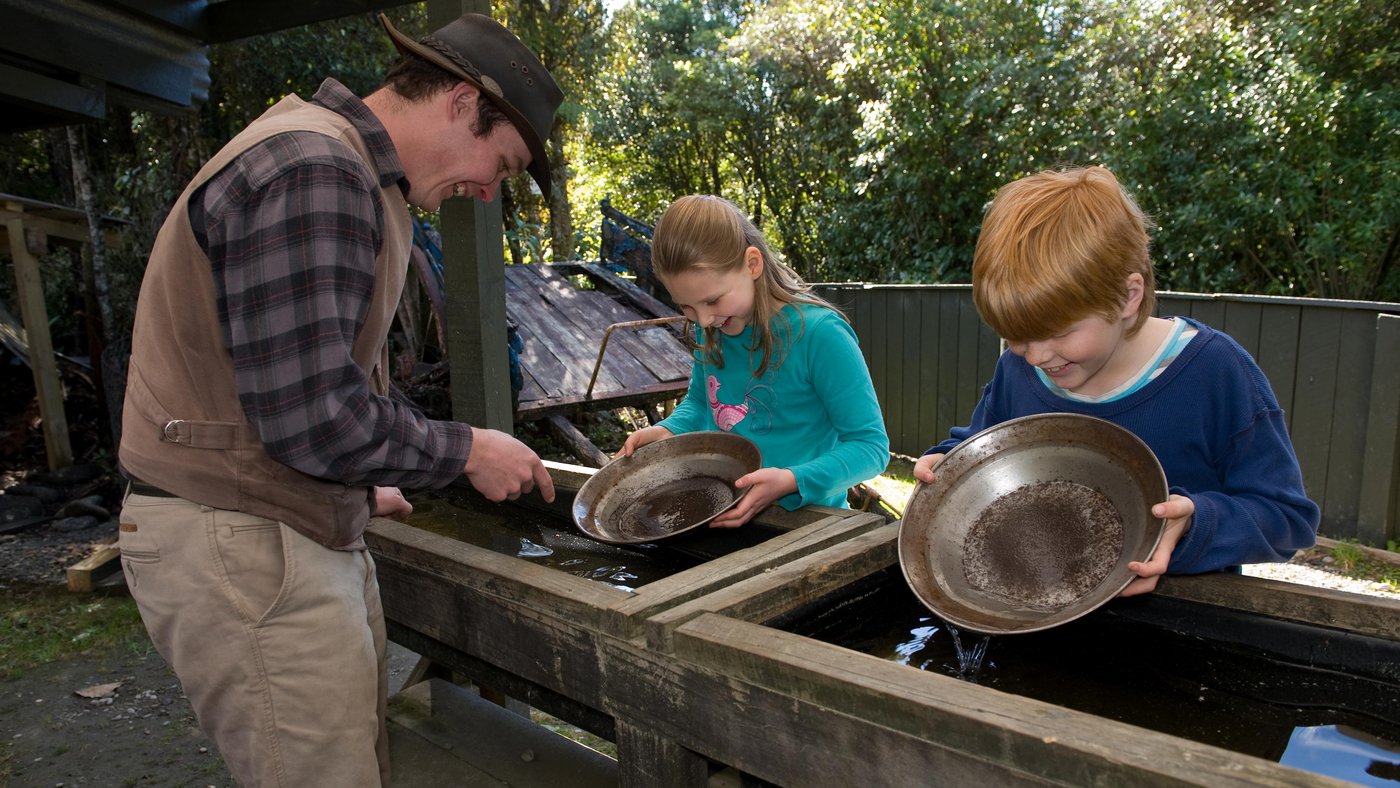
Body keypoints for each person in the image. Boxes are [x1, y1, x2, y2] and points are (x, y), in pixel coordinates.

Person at [115, 13, 561, 786]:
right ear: (461, 103)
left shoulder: (332, 158)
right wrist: (466, 450)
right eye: (503, 163)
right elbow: (313, 416)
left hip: (263, 519)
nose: (489, 194)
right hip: (243, 540)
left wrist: (360, 480)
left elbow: (278, 386)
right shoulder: (314, 169)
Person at [913, 166, 1319, 596]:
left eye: (1057, 333)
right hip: (1038, 617)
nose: (1035, 355)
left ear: (1129, 297)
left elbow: (1289, 521)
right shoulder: (1019, 372)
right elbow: (984, 447)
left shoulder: (1216, 374)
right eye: (1015, 336)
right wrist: (947, 462)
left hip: (1186, 625)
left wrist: (1196, 522)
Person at [620, 195, 889, 526]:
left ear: (752, 264)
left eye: (712, 300)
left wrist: (791, 480)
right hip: (720, 514)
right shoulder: (715, 328)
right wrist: (667, 431)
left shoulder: (821, 335)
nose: (703, 321)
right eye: (687, 308)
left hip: (810, 525)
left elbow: (871, 448)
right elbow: (702, 404)